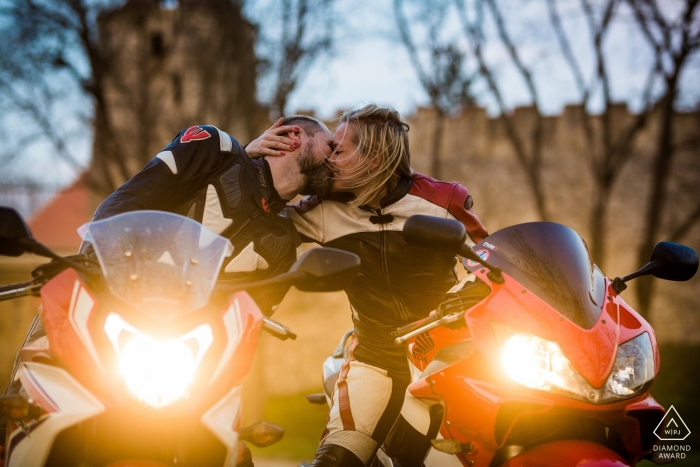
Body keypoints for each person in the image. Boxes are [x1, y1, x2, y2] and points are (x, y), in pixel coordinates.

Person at [1, 118, 336, 465]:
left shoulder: (284, 243)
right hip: (108, 312)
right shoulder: (215, 147)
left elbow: (247, 325)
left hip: (185, 357)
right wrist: (92, 274)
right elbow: (120, 206)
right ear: (295, 135)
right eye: (330, 146)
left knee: (233, 452)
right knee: (28, 401)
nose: (336, 157)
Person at [247, 104, 488, 467]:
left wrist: (474, 290)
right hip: (373, 358)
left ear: (373, 159)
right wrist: (248, 159)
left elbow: (490, 260)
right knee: (336, 460)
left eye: (338, 151)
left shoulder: (443, 200)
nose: (327, 158)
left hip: (447, 356)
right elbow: (257, 217)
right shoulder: (323, 209)